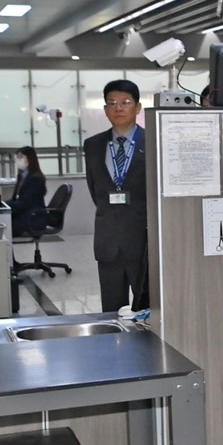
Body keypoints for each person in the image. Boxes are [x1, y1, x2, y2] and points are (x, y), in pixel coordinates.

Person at [83, 78, 150, 312]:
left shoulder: (153, 141)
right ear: (105, 110)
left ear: (138, 107)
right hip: (107, 240)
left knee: (148, 310)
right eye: (112, 103)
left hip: (143, 241)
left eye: (125, 102)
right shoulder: (92, 145)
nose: (118, 108)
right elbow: (96, 191)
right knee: (111, 312)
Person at [9, 146, 48, 236]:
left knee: (3, 227)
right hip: (24, 215)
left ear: (30, 158)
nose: (17, 160)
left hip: (33, 218)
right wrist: (1, 204)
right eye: (17, 157)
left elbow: (23, 204)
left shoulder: (36, 179)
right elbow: (15, 199)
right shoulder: (21, 176)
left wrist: (5, 205)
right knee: (1, 223)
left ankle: (6, 250)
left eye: (20, 157)